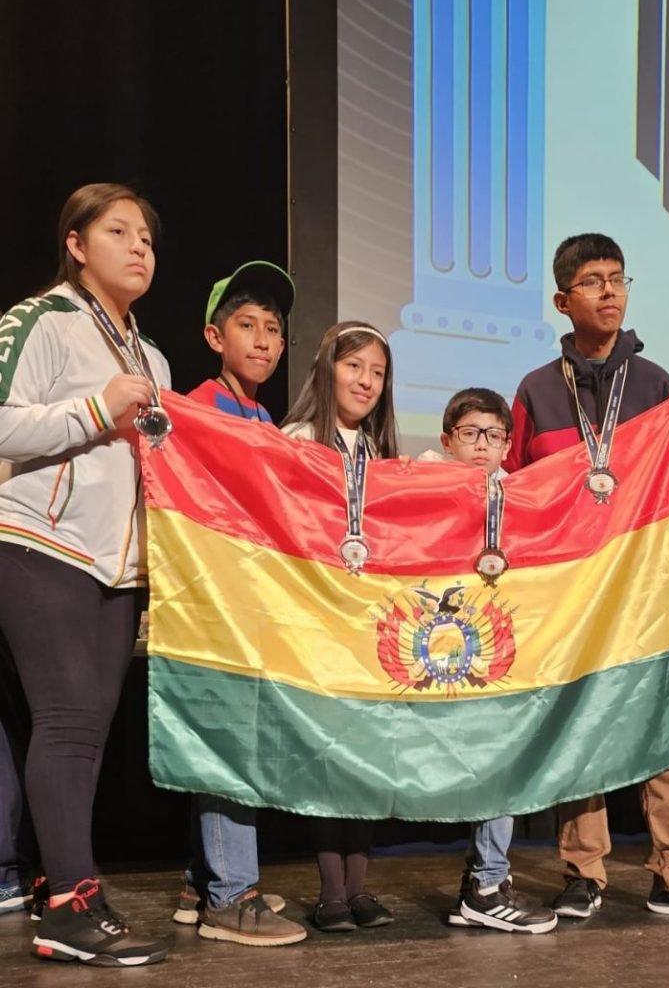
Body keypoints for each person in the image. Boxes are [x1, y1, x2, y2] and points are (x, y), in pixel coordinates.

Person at [507, 232, 669, 925]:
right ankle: (583, 872)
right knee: (580, 724)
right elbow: (515, 488)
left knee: (662, 724)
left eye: (617, 277)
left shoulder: (656, 385)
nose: (609, 291)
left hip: (643, 585)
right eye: (592, 280)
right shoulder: (536, 390)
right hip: (573, 588)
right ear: (563, 300)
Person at [0, 183, 171, 964]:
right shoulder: (42, 320)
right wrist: (97, 410)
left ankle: (66, 887)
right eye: (119, 232)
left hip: (117, 565)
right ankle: (70, 907)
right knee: (68, 720)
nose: (139, 248)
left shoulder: (151, 355)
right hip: (39, 542)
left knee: (87, 732)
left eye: (147, 238)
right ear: (75, 244)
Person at [178, 262, 307, 947]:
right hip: (213, 602)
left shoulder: (262, 418)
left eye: (273, 330)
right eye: (247, 325)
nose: (262, 340)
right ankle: (232, 895)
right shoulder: (199, 409)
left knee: (232, 740)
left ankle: (200, 882)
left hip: (250, 602)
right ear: (214, 336)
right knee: (228, 742)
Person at [423, 387, 557, 935]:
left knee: (501, 755)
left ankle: (486, 883)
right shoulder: (420, 484)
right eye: (470, 433)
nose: (482, 445)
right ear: (447, 440)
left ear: (507, 446)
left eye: (494, 435)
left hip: (493, 649)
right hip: (430, 645)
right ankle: (344, 889)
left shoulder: (519, 496)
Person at [281, 320, 397, 932]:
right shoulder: (297, 439)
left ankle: (359, 888)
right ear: (327, 369)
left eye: (377, 372)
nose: (366, 381)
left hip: (369, 624)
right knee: (329, 758)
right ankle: (330, 891)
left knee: (366, 758)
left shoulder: (378, 452)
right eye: (355, 367)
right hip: (318, 619)